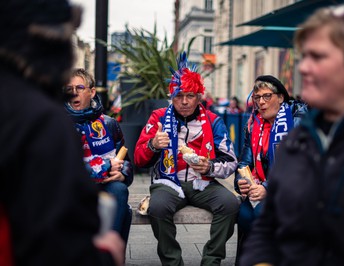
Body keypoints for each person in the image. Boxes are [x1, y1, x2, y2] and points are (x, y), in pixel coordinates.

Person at [239, 0, 344, 265]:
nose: (303, 68)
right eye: (305, 56)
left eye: (319, 57)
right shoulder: (301, 135)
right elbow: (268, 223)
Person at [0, 0, 124, 265]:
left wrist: (120, 170)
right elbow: (58, 244)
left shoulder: (106, 123)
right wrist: (104, 256)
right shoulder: (43, 120)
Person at [134, 52, 239, 266]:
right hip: (168, 182)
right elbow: (138, 158)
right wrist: (153, 145)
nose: (184, 101)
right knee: (159, 207)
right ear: (171, 96)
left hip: (204, 183)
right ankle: (173, 262)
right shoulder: (159, 118)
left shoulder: (213, 121)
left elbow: (230, 161)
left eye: (190, 96)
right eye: (179, 95)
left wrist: (209, 166)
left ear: (199, 97)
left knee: (230, 204)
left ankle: (211, 260)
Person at [234, 75, 307, 260]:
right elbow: (244, 162)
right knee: (242, 214)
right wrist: (241, 182)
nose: (261, 102)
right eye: (257, 98)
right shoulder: (254, 124)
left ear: (281, 97)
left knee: (261, 213)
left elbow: (299, 164)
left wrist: (268, 188)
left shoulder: (297, 120)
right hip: (260, 188)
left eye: (267, 96)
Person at [64, 68, 134, 246]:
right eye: (69, 88)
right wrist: (106, 167)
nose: (74, 93)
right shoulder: (59, 123)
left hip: (104, 189)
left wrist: (123, 173)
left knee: (119, 190)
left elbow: (127, 164)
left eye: (80, 87)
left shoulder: (109, 123)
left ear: (92, 92)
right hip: (72, 190)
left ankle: (109, 254)